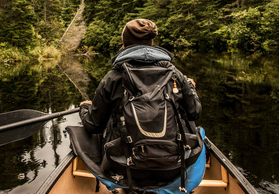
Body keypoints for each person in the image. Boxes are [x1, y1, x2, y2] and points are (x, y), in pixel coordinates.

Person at [79, 18, 202, 183]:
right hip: (174, 165)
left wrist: (85, 110)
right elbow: (194, 112)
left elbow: (94, 126)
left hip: (124, 165)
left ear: (125, 43)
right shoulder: (175, 74)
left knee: (101, 126)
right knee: (189, 123)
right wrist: (190, 87)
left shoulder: (114, 77)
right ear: (152, 41)